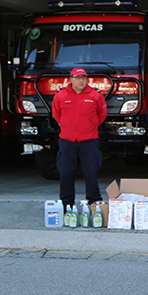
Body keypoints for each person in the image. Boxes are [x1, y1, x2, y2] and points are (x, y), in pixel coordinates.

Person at [52, 67, 107, 210]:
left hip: (89, 141)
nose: (81, 80)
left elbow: (102, 115)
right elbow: (56, 114)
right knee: (66, 172)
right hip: (67, 141)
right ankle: (66, 204)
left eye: (83, 77)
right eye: (77, 77)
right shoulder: (61, 95)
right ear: (71, 79)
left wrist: (88, 127)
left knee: (91, 172)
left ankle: (94, 203)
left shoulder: (95, 95)